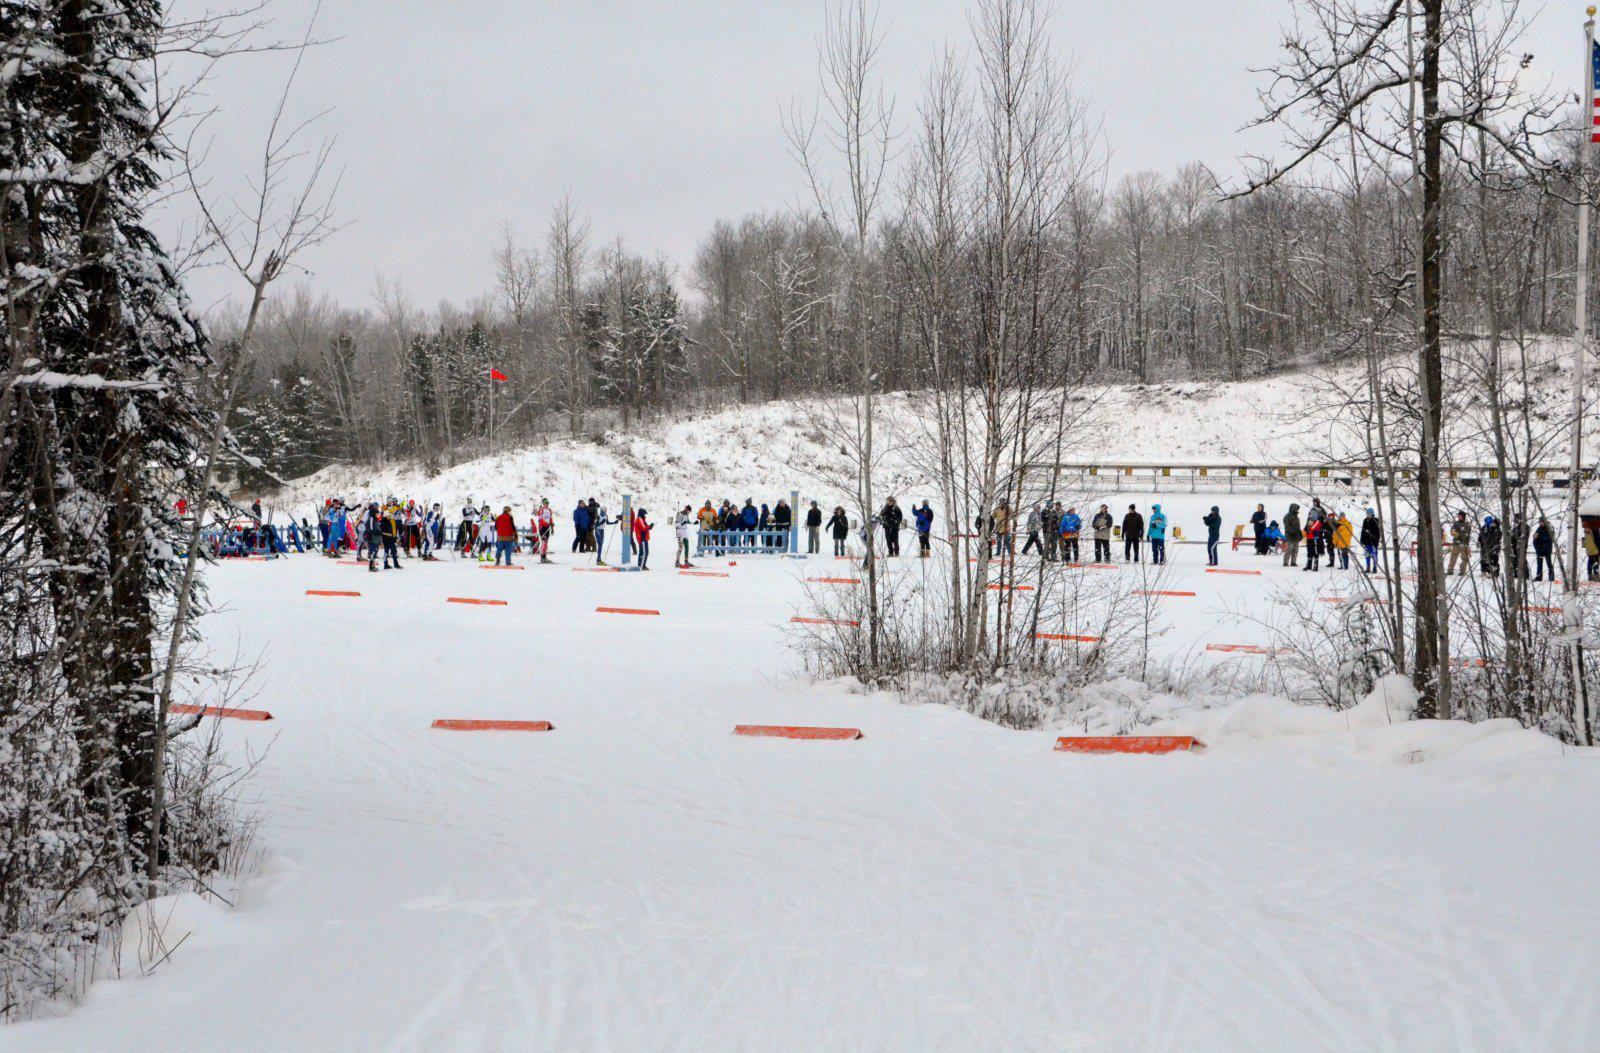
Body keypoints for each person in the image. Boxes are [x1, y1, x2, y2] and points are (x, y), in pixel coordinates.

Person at [360, 501, 383, 572]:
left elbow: (378, 524)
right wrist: (375, 532)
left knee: (376, 550)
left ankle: (373, 565)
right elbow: (370, 528)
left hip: (376, 536)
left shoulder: (376, 517)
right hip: (372, 536)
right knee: (373, 551)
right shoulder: (371, 517)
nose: (378, 514)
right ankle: (371, 566)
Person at [1446, 511, 1471, 576]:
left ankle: (1462, 571)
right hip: (1456, 544)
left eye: (1459, 516)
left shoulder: (1467, 525)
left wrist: (1459, 535)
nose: (1458, 517)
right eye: (1458, 516)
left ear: (1463, 517)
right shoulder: (1456, 523)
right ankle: (1450, 571)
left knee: (1464, 559)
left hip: (1464, 544)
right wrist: (1453, 533)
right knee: (1453, 558)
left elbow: (1466, 535)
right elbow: (1452, 531)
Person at [1533, 517, 1555, 581]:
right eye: (1539, 522)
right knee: (1539, 564)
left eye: (1541, 522)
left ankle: (1551, 577)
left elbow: (1549, 540)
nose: (1539, 524)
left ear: (1544, 522)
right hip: (1540, 550)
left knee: (1549, 563)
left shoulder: (1550, 528)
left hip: (1547, 550)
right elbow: (1535, 539)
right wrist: (1538, 549)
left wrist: (1545, 548)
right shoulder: (1539, 529)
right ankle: (1539, 577)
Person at [1508, 513, 1530, 580]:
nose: (1514, 520)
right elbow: (1512, 536)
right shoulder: (1516, 527)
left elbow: (1522, 537)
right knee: (1514, 560)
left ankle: (1525, 575)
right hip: (1514, 547)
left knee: (1522, 560)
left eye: (1516, 518)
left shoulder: (1525, 527)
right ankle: (1516, 574)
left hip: (1521, 547)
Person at [592, 500, 614, 565]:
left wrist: (615, 522)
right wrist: (601, 522)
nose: (605, 511)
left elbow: (607, 523)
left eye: (605, 510)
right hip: (598, 530)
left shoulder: (606, 516)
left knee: (601, 546)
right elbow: (595, 525)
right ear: (601, 510)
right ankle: (598, 560)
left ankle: (599, 559)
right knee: (599, 544)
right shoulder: (598, 516)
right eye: (604, 510)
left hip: (602, 531)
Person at [1282, 502, 1302, 568]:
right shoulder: (1287, 516)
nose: (1297, 510)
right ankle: (1285, 562)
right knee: (1288, 550)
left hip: (1296, 536)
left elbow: (1298, 527)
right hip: (1290, 536)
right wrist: (1293, 532)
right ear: (1292, 509)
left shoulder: (1296, 517)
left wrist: (1300, 534)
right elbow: (1287, 527)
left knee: (1295, 550)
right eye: (1296, 509)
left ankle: (1293, 562)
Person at [534, 499, 554, 564]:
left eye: (548, 503)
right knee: (544, 542)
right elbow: (540, 520)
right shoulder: (541, 510)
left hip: (547, 527)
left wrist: (551, 524)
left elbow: (550, 518)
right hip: (542, 528)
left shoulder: (549, 510)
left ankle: (544, 556)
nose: (547, 504)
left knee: (546, 542)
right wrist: (547, 524)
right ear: (543, 503)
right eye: (545, 503)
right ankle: (542, 557)